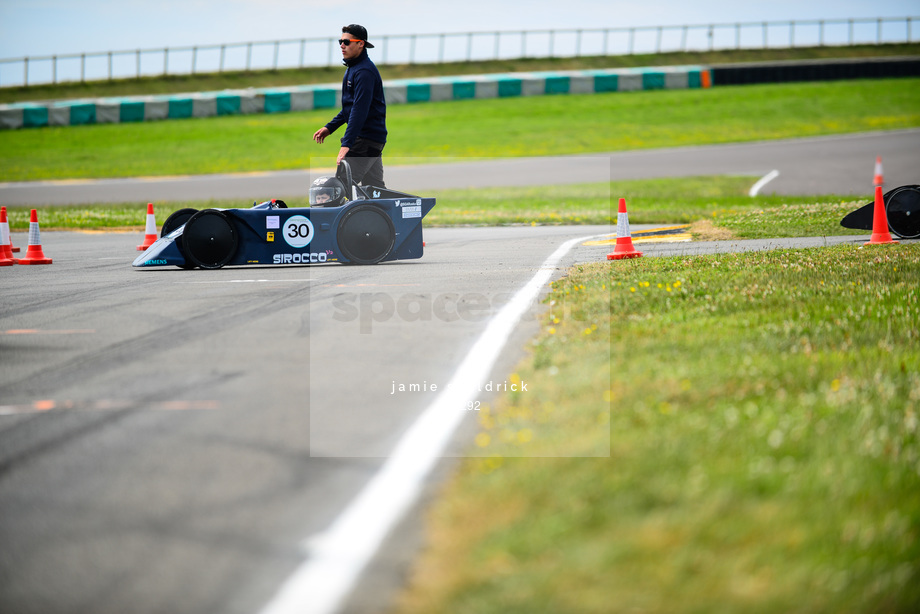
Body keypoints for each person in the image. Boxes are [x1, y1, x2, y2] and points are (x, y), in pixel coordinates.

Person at [313, 24, 387, 188]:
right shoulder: (354, 69)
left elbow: (359, 111)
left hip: (365, 140)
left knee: (341, 186)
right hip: (370, 138)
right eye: (340, 41)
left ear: (361, 44)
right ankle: (385, 214)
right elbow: (351, 108)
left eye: (347, 42)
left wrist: (346, 144)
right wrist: (330, 127)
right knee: (374, 189)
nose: (342, 45)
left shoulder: (364, 72)